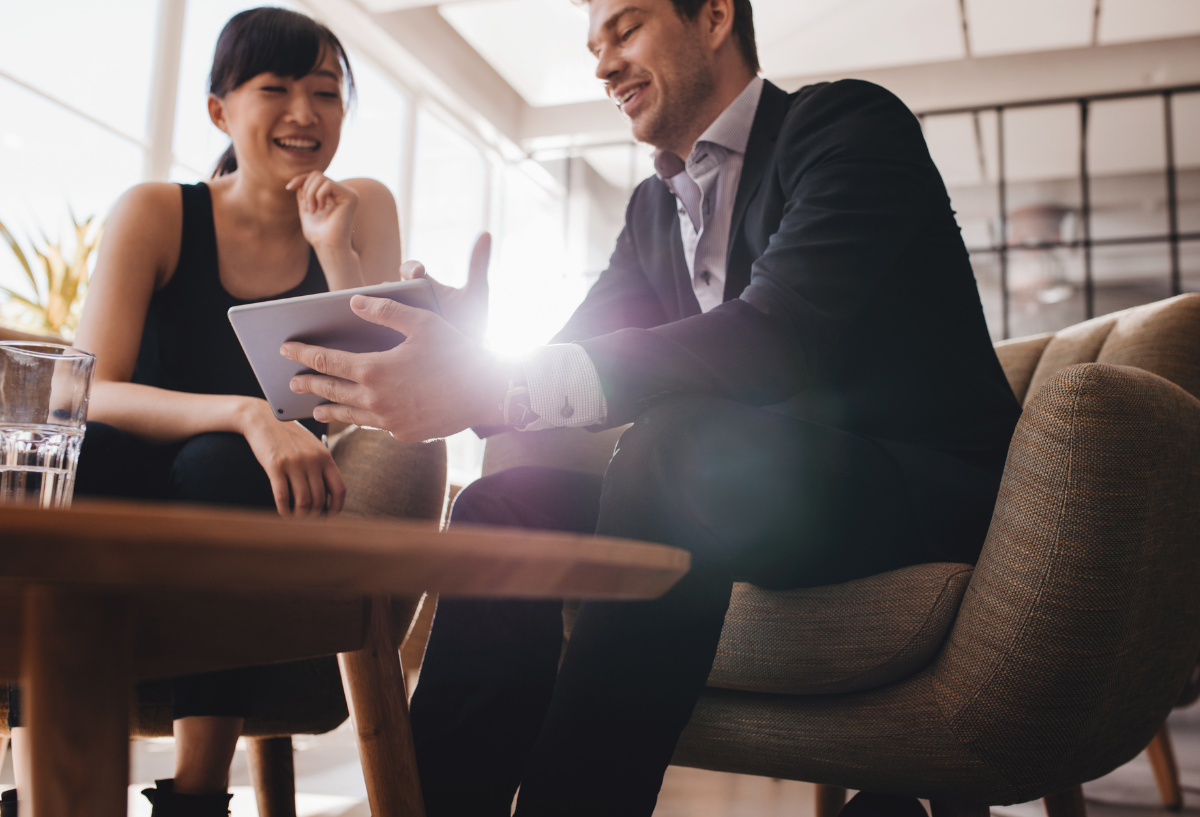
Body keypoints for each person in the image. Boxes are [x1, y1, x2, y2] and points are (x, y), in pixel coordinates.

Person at [282, 0, 1023, 813]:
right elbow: (573, 361)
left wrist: (499, 381)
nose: (602, 65)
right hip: (761, 499)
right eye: (595, 45)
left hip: (918, 490)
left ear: (713, 16)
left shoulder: (846, 127)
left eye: (626, 29)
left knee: (680, 445)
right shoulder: (651, 211)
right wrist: (465, 349)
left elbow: (777, 334)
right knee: (508, 501)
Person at [1, 8, 401, 816]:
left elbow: (375, 387)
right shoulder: (157, 212)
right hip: (135, 484)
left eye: (326, 93)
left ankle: (197, 794)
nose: (304, 113)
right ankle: (50, 789)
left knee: (226, 467)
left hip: (266, 504)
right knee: (104, 455)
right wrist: (249, 414)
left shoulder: (365, 208)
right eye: (275, 89)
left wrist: (333, 249)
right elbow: (89, 392)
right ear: (220, 110)